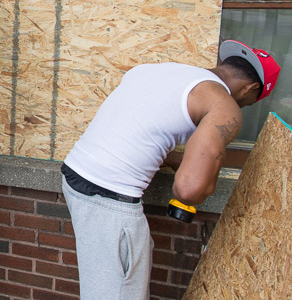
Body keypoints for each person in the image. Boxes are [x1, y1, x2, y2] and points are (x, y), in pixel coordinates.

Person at [61, 39, 281, 300]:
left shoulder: (157, 71)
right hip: (111, 203)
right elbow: (188, 189)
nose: (244, 106)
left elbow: (139, 134)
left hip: (77, 178)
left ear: (224, 64)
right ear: (250, 88)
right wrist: (210, 173)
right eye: (251, 101)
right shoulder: (224, 106)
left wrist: (185, 159)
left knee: (107, 281)